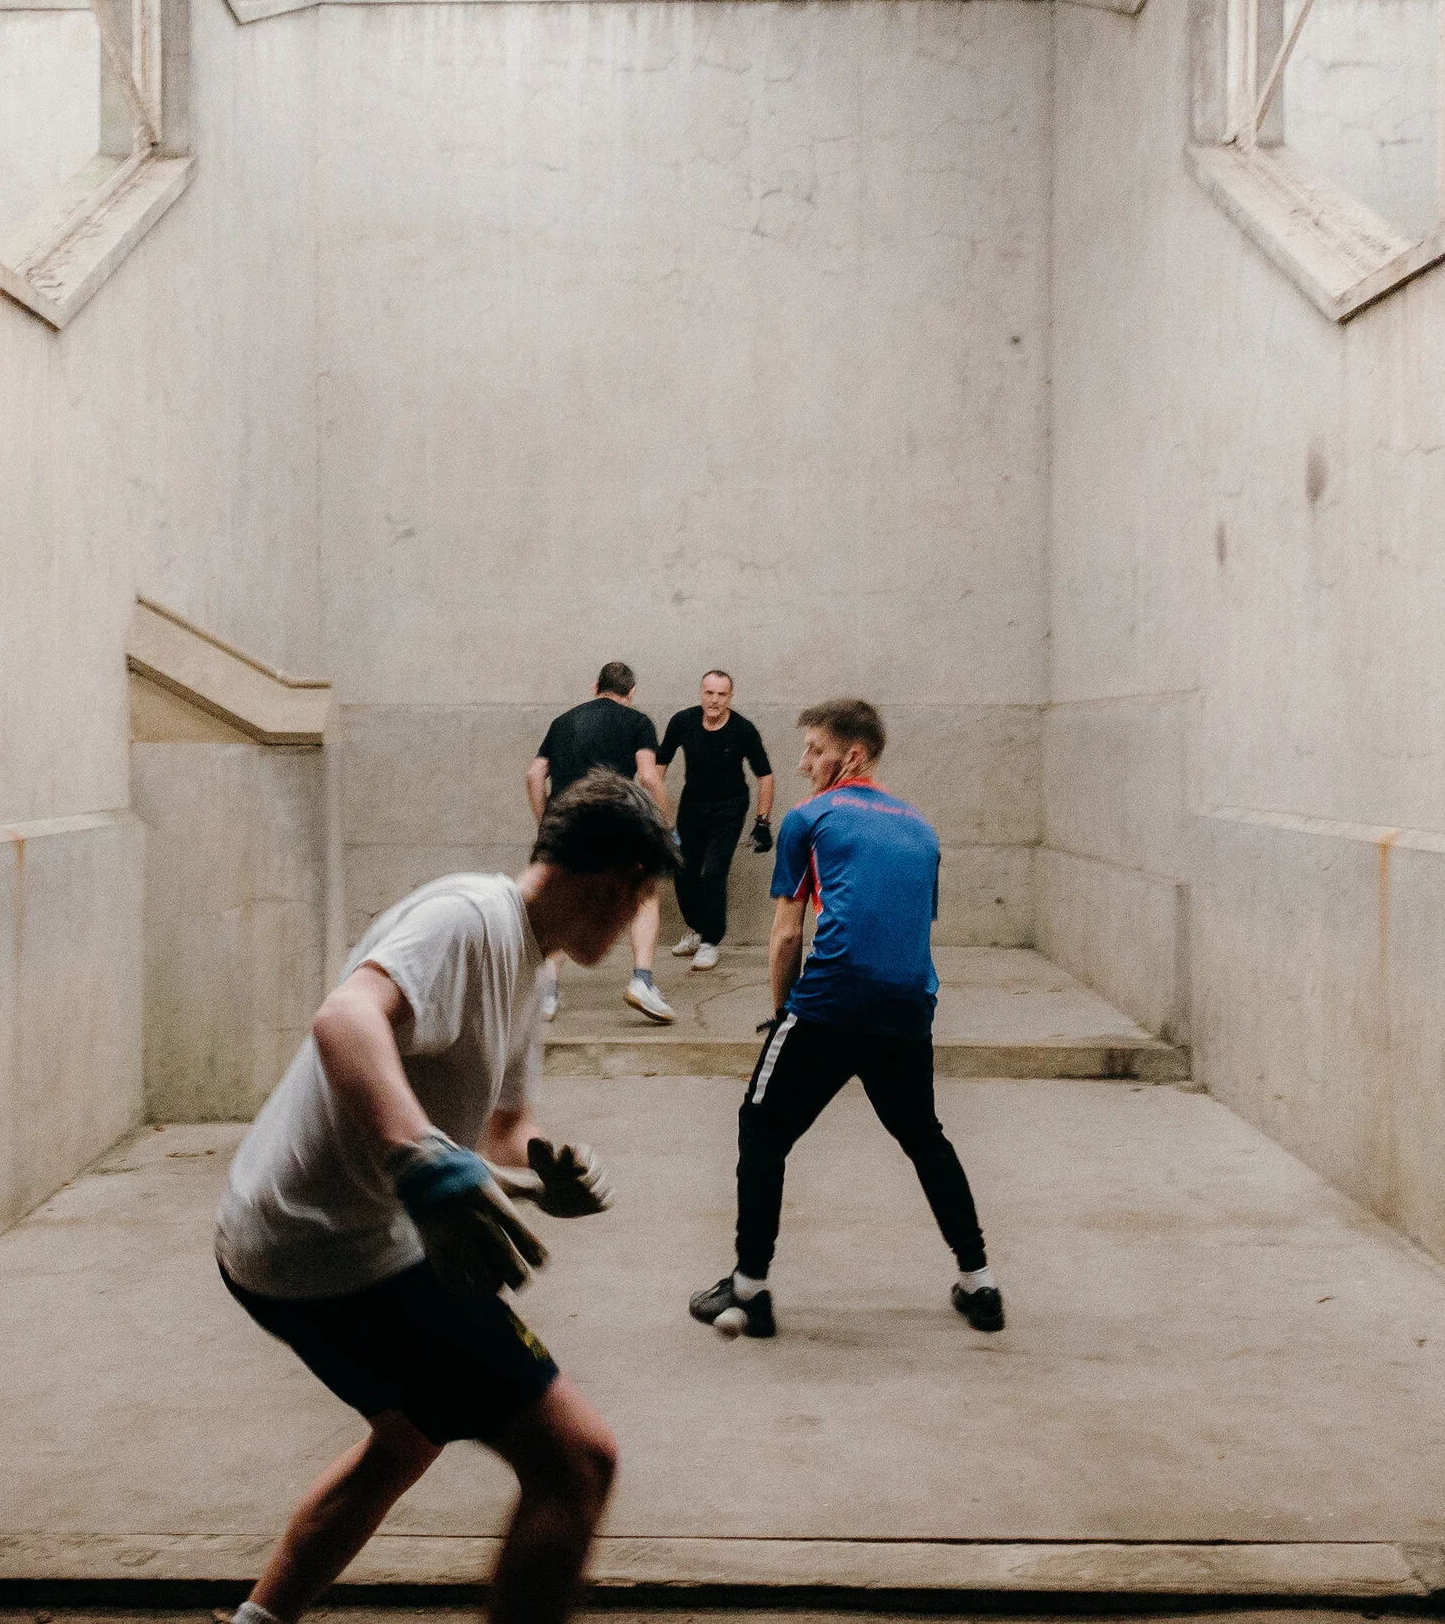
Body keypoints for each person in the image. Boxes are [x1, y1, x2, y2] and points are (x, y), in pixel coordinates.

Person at [216, 770, 680, 1624]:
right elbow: (345, 1019)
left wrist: (544, 1171)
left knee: (408, 1437)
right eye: (642, 893)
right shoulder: (467, 916)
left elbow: (499, 1132)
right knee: (579, 1461)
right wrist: (415, 1159)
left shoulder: (529, 970)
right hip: (331, 1243)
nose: (636, 917)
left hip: (297, 1233)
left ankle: (258, 1622)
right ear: (617, 880)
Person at [688, 699, 1002, 1338]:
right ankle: (981, 1284)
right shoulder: (922, 829)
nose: (802, 763)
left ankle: (749, 1289)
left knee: (762, 1129)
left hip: (830, 1003)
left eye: (813, 750)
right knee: (923, 1137)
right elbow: (905, 926)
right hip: (909, 1008)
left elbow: (785, 935)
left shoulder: (808, 818)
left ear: (851, 756)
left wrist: (782, 1017)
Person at [527, 662, 674, 1024]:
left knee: (560, 898)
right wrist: (664, 826)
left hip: (568, 823)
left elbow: (534, 775)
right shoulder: (638, 722)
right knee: (645, 895)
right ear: (631, 692)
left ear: (596, 687)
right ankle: (641, 980)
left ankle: (548, 991)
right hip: (615, 822)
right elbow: (648, 777)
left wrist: (546, 821)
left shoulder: (563, 722)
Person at [656, 671, 775, 972]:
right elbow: (658, 768)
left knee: (713, 871)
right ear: (701, 693)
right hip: (692, 806)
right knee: (683, 871)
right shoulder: (682, 722)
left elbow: (765, 775)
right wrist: (658, 816)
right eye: (710, 693)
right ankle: (697, 929)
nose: (714, 700)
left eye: (721, 695)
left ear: (730, 698)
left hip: (729, 808)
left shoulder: (743, 730)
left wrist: (763, 821)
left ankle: (710, 941)